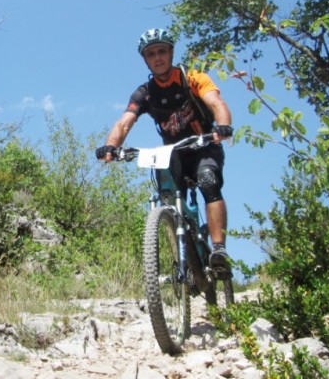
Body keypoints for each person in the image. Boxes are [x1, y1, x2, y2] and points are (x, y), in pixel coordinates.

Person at [95, 28, 234, 272]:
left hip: (203, 145)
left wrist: (223, 126)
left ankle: (219, 249)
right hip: (173, 153)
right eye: (151, 54)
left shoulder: (192, 77)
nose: (157, 58)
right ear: (145, 59)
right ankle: (183, 252)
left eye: (162, 51)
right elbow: (124, 122)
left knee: (208, 181)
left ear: (171, 53)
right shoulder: (145, 92)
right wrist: (111, 146)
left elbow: (216, 103)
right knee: (167, 197)